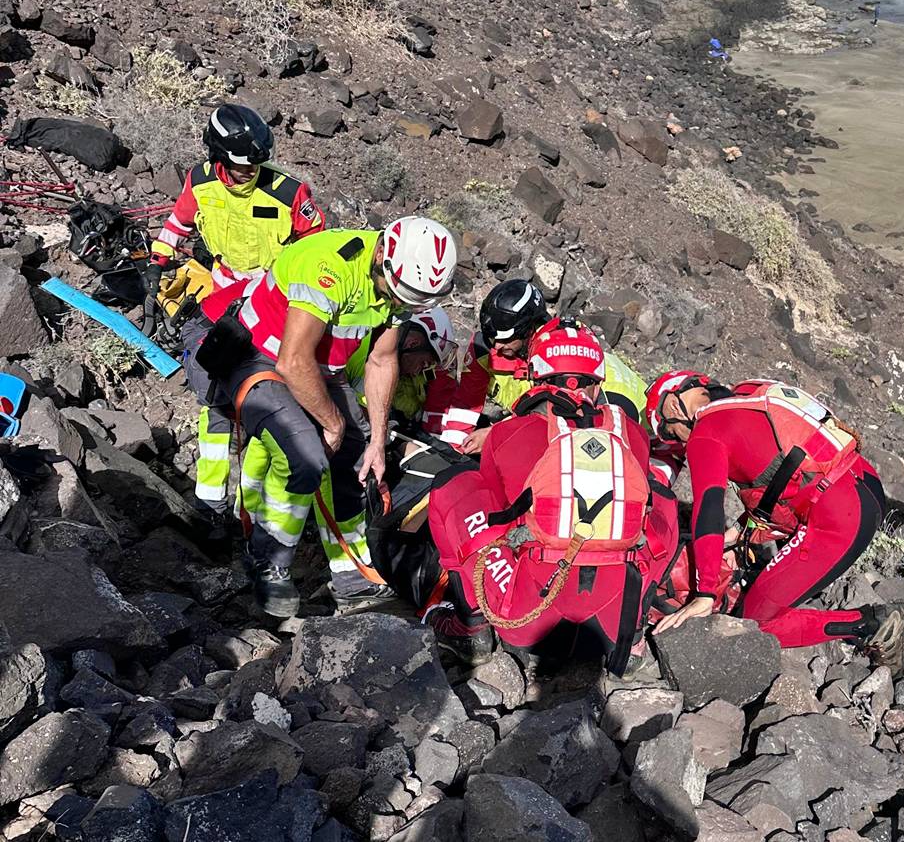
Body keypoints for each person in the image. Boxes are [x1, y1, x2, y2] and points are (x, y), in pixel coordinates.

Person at [181, 216, 459, 616]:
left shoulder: (399, 289)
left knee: (358, 460)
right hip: (263, 355)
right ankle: (268, 558)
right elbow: (293, 362)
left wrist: (377, 441)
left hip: (319, 368)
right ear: (382, 256)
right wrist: (332, 422)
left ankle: (350, 574)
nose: (402, 306)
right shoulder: (327, 265)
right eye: (401, 296)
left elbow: (382, 361)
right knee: (305, 456)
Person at [427, 320, 679, 672]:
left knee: (456, 485)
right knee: (663, 501)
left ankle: (471, 627)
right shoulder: (632, 434)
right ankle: (634, 633)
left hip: (530, 620)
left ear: (537, 377)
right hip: (611, 624)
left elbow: (497, 514)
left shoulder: (509, 434)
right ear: (596, 382)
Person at [645, 371, 904, 669]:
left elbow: (708, 510)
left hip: (839, 518)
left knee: (754, 621)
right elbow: (783, 474)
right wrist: (740, 532)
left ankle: (870, 624)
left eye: (669, 434)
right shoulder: (747, 394)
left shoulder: (705, 432)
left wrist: (704, 593)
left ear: (672, 408)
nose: (678, 443)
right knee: (764, 587)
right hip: (862, 483)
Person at [150, 105, 326, 525]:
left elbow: (318, 249)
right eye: (240, 167)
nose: (249, 174)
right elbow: (177, 226)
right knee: (213, 401)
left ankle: (258, 511)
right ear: (218, 158)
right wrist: (156, 265)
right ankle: (209, 504)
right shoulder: (201, 182)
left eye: (255, 167)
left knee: (272, 400)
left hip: (274, 307)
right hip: (221, 302)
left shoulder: (289, 194)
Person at [237, 306, 459, 612]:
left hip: (273, 380)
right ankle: (349, 576)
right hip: (301, 385)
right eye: (423, 362)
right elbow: (359, 406)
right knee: (337, 469)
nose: (419, 371)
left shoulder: (369, 339)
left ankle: (247, 524)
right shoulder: (373, 351)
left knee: (272, 449)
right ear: (411, 343)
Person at [434, 279, 648, 453]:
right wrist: (451, 454)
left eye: (506, 339)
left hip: (631, 421)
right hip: (546, 426)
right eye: (492, 338)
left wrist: (497, 433)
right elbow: (465, 404)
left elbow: (571, 418)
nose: (497, 347)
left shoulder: (566, 352)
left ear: (529, 329)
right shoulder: (485, 350)